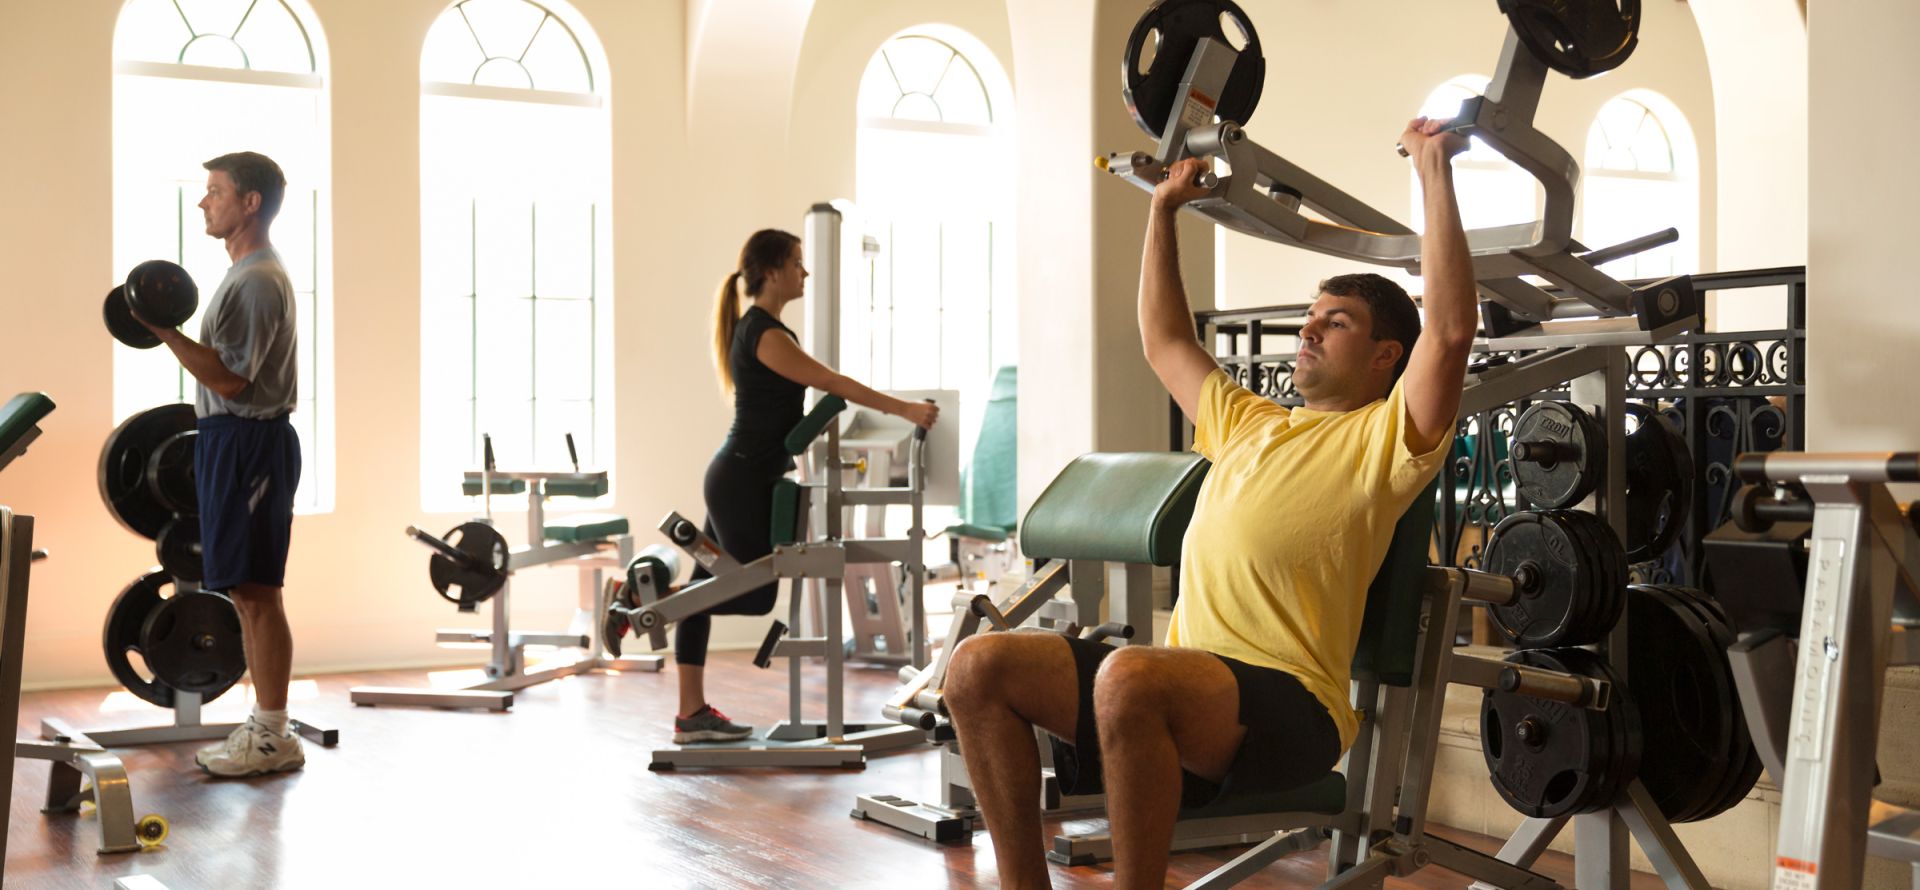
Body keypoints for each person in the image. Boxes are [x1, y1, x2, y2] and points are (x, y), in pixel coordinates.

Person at [941, 117, 1478, 888]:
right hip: (1182, 683)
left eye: (1338, 323)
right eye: (1311, 315)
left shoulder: (1388, 439)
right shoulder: (1249, 421)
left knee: (1130, 674)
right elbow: (1163, 339)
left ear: (1385, 355)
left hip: (1292, 707)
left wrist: (1434, 170)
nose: (1309, 330)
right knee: (977, 666)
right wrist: (1162, 211)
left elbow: (1452, 330)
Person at [671, 228, 939, 744]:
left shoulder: (758, 329)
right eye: (797, 262)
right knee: (747, 594)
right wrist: (905, 410)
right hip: (742, 481)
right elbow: (832, 382)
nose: (805, 272)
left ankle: (690, 713)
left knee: (710, 590)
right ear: (771, 272)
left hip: (740, 475)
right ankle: (650, 599)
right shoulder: (766, 333)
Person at [133, 151, 305, 778]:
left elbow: (232, 380)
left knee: (259, 592)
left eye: (215, 191)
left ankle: (273, 734)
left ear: (249, 202)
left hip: (249, 441)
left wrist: (165, 331)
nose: (205, 202)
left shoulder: (258, 280)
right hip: (227, 440)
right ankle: (265, 729)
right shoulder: (241, 275)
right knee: (244, 590)